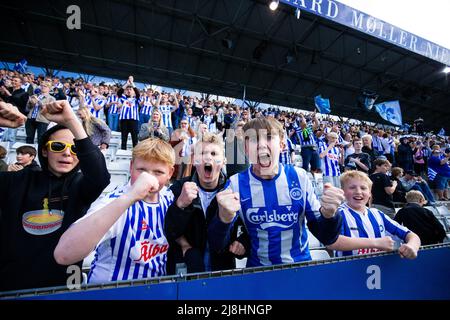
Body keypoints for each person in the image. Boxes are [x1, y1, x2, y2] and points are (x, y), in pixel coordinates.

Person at [0, 100, 110, 291]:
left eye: (75, 149)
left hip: (65, 285)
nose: (67, 153)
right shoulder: (17, 180)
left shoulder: (82, 185)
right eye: (58, 146)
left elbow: (100, 176)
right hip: (12, 285)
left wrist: (72, 121)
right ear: (44, 150)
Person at [208, 117, 345, 267]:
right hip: (258, 273)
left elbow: (326, 237)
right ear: (246, 149)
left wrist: (330, 216)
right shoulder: (235, 184)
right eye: (254, 140)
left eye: (268, 137)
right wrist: (223, 219)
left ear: (282, 145)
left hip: (300, 269)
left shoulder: (300, 177)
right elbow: (218, 246)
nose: (261, 145)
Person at [54, 138, 174, 284]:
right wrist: (130, 196)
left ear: (170, 173)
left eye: (158, 172)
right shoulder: (113, 202)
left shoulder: (169, 197)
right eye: (141, 170)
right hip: (111, 292)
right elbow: (64, 254)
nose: (147, 177)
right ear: (131, 167)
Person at [164, 133, 249, 274]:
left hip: (222, 272)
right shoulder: (178, 188)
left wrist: (243, 242)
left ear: (223, 161)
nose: (208, 157)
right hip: (185, 270)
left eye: (214, 153)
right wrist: (179, 205)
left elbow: (249, 225)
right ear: (194, 159)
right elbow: (167, 231)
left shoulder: (235, 190)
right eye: (202, 153)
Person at [327, 171, 421, 258]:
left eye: (363, 188)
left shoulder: (377, 214)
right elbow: (332, 242)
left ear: (370, 193)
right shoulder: (338, 214)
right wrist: (375, 242)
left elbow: (411, 235)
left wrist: (412, 246)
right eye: (352, 187)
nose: (358, 192)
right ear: (342, 192)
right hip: (347, 271)